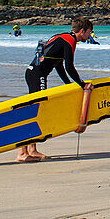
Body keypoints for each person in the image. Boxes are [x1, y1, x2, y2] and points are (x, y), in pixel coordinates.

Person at [18, 17, 94, 162]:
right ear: (82, 31)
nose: (90, 36)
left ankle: (31, 150)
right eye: (89, 32)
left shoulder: (63, 37)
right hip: (37, 74)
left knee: (36, 111)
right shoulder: (70, 41)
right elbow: (69, 67)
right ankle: (23, 153)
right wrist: (82, 84)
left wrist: (69, 84)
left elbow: (59, 66)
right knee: (35, 112)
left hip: (32, 72)